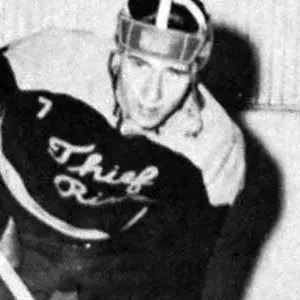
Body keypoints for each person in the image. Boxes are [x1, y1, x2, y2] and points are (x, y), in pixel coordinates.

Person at [0, 0, 246, 299]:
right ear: (118, 52)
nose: (151, 94)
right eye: (139, 64)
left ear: (196, 73)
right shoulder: (51, 59)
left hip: (109, 256)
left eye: (174, 73)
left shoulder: (215, 149)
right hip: (15, 213)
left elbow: (177, 276)